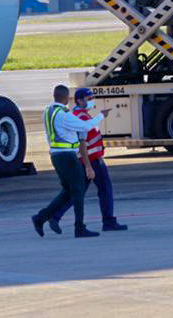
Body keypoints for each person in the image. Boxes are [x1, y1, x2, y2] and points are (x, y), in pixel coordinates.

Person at [32, 85, 109, 238]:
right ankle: (79, 227)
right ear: (67, 98)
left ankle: (41, 218)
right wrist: (101, 116)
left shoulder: (48, 111)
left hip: (56, 155)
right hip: (67, 156)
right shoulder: (63, 115)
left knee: (68, 191)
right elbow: (86, 126)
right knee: (78, 191)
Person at [48, 89, 127, 233]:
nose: (91, 100)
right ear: (79, 100)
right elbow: (83, 142)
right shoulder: (81, 117)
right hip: (92, 160)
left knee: (77, 192)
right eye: (88, 98)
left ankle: (55, 215)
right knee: (105, 189)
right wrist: (89, 166)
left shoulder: (79, 114)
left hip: (86, 160)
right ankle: (108, 221)